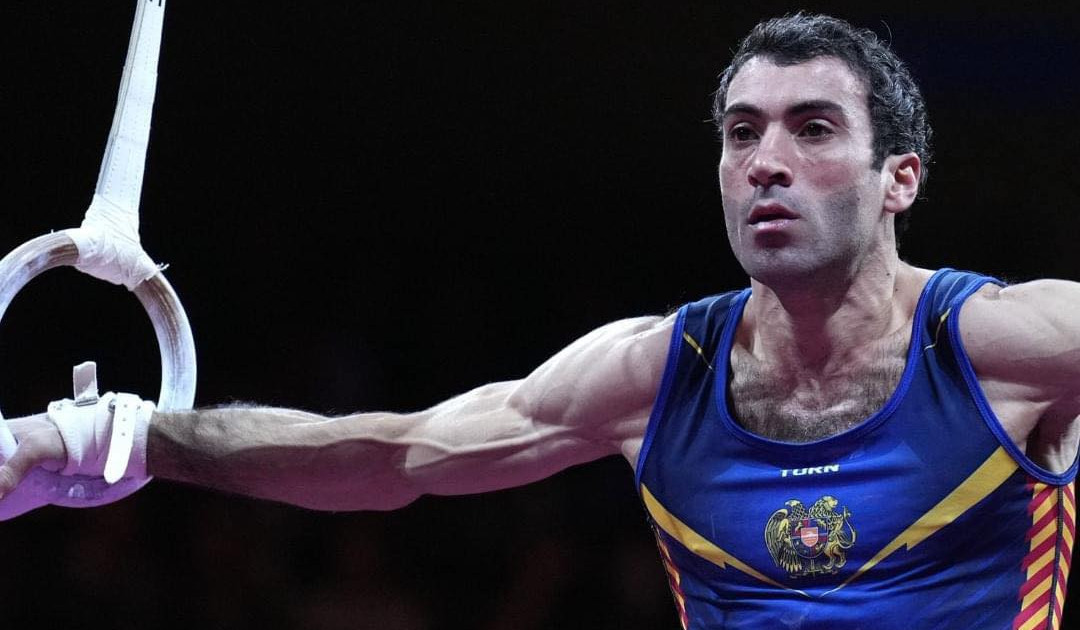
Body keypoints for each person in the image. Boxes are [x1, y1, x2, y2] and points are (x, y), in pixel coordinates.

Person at [1, 12, 1076, 629]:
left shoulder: (1007, 347)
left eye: (813, 129)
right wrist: (114, 439)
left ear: (900, 179)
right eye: (742, 132)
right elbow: (390, 454)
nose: (766, 163)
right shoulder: (653, 375)